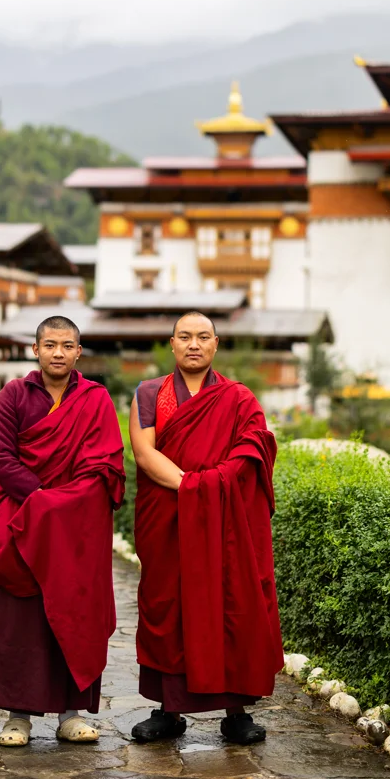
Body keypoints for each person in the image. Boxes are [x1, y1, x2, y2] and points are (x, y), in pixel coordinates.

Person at [129, 311, 283, 746]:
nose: (193, 344)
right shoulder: (148, 392)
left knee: (229, 602)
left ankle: (236, 713)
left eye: (202, 337)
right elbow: (144, 453)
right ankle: (168, 710)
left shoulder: (238, 397)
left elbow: (253, 447)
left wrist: (208, 488)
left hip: (223, 518)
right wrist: (194, 488)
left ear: (216, 345)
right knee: (168, 604)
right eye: (184, 337)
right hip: (170, 513)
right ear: (172, 344)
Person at [0, 315, 125, 747]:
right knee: (21, 619)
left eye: (67, 345)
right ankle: (16, 717)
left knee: (75, 614)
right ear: (36, 350)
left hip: (76, 525)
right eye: (50, 344)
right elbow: (2, 461)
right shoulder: (14, 395)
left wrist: (65, 505)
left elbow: (106, 464)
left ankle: (71, 714)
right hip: (26, 517)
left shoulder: (95, 399)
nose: (58, 352)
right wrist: (45, 500)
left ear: (79, 353)